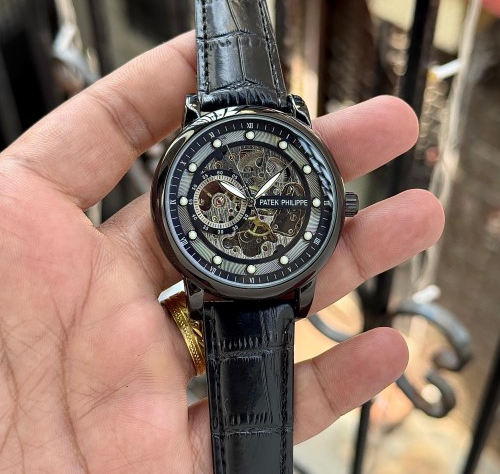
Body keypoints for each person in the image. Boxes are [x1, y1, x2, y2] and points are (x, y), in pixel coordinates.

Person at [0, 32, 444, 472]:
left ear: (340, 207)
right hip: (230, 277)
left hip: (258, 277)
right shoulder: (228, 174)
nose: (245, 205)